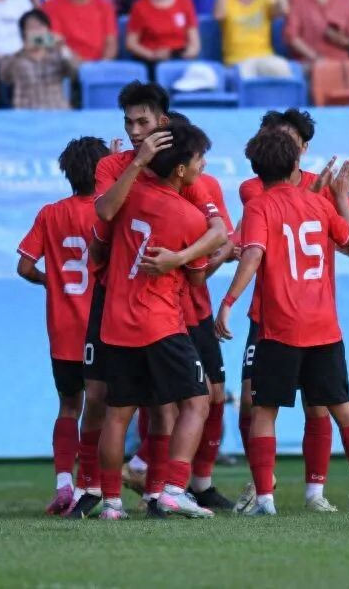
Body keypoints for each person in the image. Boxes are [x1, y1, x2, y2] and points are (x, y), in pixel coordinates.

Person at [64, 81, 228, 519]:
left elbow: (217, 231)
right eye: (129, 122)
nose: (135, 130)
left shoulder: (183, 175)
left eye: (143, 121)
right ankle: (100, 490)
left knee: (148, 406)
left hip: (136, 303)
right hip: (137, 303)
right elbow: (102, 214)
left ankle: (145, 493)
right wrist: (135, 164)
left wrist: (177, 256)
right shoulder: (115, 166)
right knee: (103, 398)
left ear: (163, 122)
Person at [215, 131, 349, 516]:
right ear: (294, 165)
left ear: (257, 169)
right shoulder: (316, 203)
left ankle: (266, 501)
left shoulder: (259, 206)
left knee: (264, 412)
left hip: (281, 327)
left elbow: (253, 253)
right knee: (344, 408)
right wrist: (340, 195)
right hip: (324, 325)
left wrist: (227, 302)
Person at [93, 123, 217, 521]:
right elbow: (197, 277)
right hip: (160, 322)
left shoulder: (128, 195)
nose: (203, 166)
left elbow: (102, 218)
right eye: (199, 159)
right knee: (198, 401)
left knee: (118, 413)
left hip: (116, 322)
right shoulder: (188, 216)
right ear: (181, 169)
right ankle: (174, 489)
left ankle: (111, 502)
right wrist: (208, 253)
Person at [16, 136, 109, 515]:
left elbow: (23, 267)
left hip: (63, 328)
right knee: (106, 407)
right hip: (104, 327)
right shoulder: (108, 212)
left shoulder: (50, 213)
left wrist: (49, 280)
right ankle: (93, 483)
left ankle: (64, 484)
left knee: (69, 406)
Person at [0, 8, 78, 109]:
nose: (36, 32)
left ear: (48, 30)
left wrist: (63, 48)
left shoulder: (58, 54)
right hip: (27, 115)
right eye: (31, 27)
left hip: (57, 112)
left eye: (40, 27)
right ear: (23, 33)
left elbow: (75, 73)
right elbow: (4, 77)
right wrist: (24, 50)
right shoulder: (16, 57)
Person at [214, 0, 291, 79]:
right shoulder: (228, 1)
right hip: (237, 61)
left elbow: (284, 10)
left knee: (282, 69)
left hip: (264, 58)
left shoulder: (264, 1)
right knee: (245, 77)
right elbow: (218, 15)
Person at [126, 0, 200, 72]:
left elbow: (194, 44)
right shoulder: (139, 6)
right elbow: (131, 44)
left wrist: (188, 53)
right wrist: (152, 55)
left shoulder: (185, 3)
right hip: (152, 61)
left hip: (179, 58)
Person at [284, 0, 349, 65]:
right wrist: (315, 58)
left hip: (339, 65)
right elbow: (291, 37)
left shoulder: (346, 3)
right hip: (307, 64)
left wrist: (342, 40)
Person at [42, 0, 118, 62]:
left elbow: (111, 43)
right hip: (66, 67)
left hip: (100, 68)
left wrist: (101, 67)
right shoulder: (51, 6)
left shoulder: (105, 7)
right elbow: (55, 42)